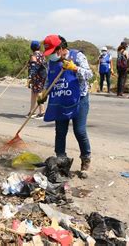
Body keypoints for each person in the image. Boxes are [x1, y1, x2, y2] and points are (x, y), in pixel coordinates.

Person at [37, 35, 93, 178]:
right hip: (61, 99)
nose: (51, 56)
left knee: (79, 131)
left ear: (61, 48)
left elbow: (90, 75)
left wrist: (75, 69)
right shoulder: (52, 63)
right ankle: (62, 162)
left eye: (53, 52)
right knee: (60, 131)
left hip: (79, 99)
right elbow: (49, 80)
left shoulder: (77, 56)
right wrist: (43, 93)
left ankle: (85, 160)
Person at [27, 40, 47, 118]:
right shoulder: (42, 55)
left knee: (38, 93)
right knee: (34, 93)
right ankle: (32, 112)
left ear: (32, 47)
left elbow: (33, 68)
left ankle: (42, 111)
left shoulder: (33, 56)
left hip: (37, 77)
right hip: (43, 76)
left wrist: (30, 77)